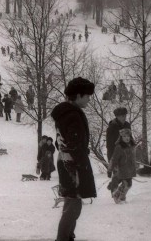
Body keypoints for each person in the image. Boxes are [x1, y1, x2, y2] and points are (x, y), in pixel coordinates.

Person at [50, 77, 96, 241]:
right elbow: (74, 143)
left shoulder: (65, 113)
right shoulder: (72, 115)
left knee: (72, 203)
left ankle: (66, 236)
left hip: (65, 161)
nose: (89, 100)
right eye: (87, 96)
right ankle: (63, 238)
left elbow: (60, 141)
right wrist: (81, 160)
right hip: (72, 165)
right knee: (73, 204)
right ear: (78, 95)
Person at [107, 128, 136, 203]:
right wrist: (110, 170)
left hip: (129, 169)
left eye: (128, 136)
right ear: (121, 137)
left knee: (129, 184)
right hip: (121, 169)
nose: (127, 138)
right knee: (126, 184)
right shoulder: (119, 147)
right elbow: (114, 159)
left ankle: (121, 196)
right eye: (124, 136)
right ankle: (117, 197)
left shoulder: (132, 146)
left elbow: (133, 157)